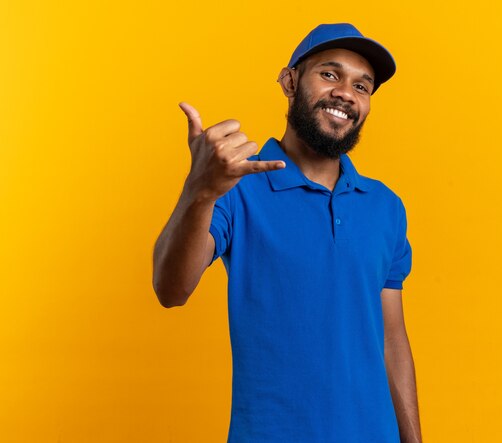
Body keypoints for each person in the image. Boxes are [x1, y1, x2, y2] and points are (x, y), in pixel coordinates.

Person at [153, 23, 423, 443]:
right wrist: (199, 190)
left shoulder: (384, 206)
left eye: (362, 86)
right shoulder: (236, 188)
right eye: (329, 74)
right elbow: (170, 289)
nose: (345, 94)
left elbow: (392, 337)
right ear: (290, 81)